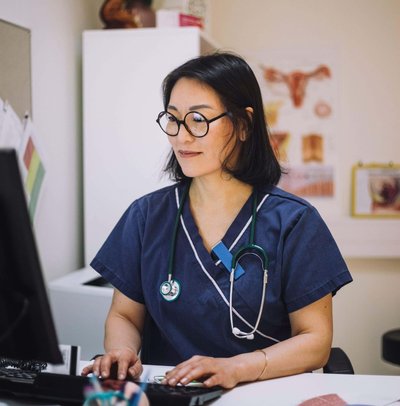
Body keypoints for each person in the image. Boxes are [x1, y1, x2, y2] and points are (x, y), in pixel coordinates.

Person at [81, 52, 352, 389]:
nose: (181, 136)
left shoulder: (294, 222)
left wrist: (237, 368)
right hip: (169, 393)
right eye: (174, 118)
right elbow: (125, 315)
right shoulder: (146, 216)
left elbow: (315, 341)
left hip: (260, 392)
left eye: (198, 119)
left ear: (242, 125)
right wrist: (122, 351)